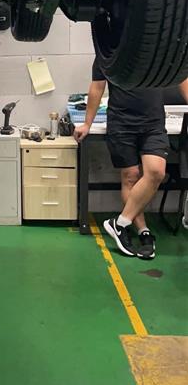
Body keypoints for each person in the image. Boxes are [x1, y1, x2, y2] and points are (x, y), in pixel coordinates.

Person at [75, 59, 188, 261]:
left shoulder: (158, 49)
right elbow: (97, 87)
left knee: (156, 172)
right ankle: (143, 231)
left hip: (153, 122)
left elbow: (182, 77)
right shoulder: (108, 53)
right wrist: (87, 124)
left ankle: (120, 223)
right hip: (121, 123)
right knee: (131, 176)